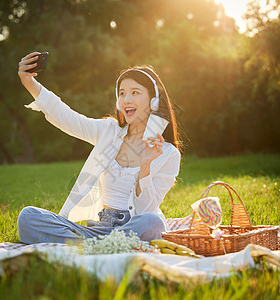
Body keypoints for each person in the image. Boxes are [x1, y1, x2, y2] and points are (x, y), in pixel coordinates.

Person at [16, 52, 182, 244]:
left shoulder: (169, 153)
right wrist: (29, 82)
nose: (126, 99)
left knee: (153, 223)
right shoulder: (109, 130)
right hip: (97, 230)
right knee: (28, 216)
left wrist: (145, 167)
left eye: (135, 92)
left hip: (134, 228)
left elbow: (146, 210)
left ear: (153, 100)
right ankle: (100, 247)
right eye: (122, 93)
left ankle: (89, 248)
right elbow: (69, 119)